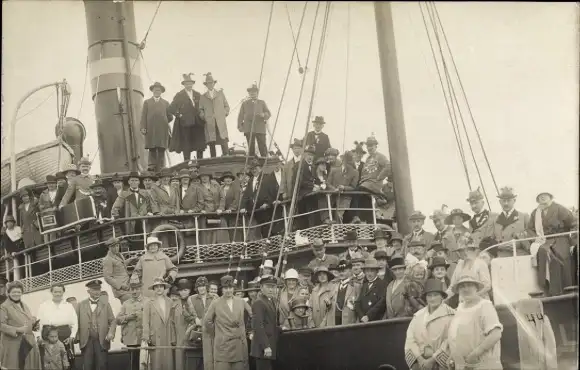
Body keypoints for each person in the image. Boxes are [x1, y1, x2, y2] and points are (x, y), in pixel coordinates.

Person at [447, 273, 503, 369]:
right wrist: (453, 356)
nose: (466, 289)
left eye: (469, 285)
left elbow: (496, 334)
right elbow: (457, 335)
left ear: (476, 288)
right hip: (463, 365)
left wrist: (474, 355)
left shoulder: (484, 306)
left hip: (481, 364)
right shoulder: (460, 307)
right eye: (462, 286)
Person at [527, 191, 576, 296]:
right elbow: (530, 229)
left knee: (558, 257)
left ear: (550, 196)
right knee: (542, 252)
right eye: (540, 195)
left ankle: (566, 290)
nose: (542, 197)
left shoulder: (560, 209)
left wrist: (573, 242)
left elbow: (574, 223)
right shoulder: (535, 213)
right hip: (544, 241)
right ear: (537, 199)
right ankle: (548, 290)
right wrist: (536, 238)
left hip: (561, 238)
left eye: (545, 195)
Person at [404, 279, 454, 370]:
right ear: (425, 298)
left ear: (442, 297)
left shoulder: (451, 315)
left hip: (440, 364)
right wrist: (420, 359)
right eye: (429, 296)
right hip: (420, 363)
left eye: (435, 295)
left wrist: (432, 360)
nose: (432, 298)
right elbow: (410, 340)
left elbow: (449, 341)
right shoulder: (418, 315)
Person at [205, 275, 252, 370]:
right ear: (222, 289)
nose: (228, 290)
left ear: (233, 288)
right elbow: (207, 321)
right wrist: (218, 334)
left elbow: (252, 315)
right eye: (225, 288)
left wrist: (247, 331)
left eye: (230, 287)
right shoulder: (216, 303)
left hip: (238, 345)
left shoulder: (241, 301)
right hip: (223, 346)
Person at [0, 280, 41, 370]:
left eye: (19, 292)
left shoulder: (25, 305)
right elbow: (1, 325)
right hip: (14, 344)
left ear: (22, 293)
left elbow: (26, 321)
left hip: (29, 341)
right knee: (16, 366)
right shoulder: (4, 306)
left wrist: (33, 326)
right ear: (8, 293)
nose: (16, 294)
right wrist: (18, 329)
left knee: (29, 367)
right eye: (14, 292)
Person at [76, 280, 116, 370]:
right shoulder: (81, 305)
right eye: (94, 290)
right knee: (87, 366)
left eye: (99, 289)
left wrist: (111, 333)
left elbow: (113, 321)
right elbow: (76, 322)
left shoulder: (105, 304)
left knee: (102, 365)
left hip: (101, 341)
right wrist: (78, 337)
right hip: (86, 341)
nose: (97, 292)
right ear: (88, 291)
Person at [36, 283, 77, 366]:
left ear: (63, 292)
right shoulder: (44, 305)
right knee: (50, 362)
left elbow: (75, 323)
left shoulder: (68, 306)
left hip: (64, 336)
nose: (58, 294)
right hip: (47, 335)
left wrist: (72, 337)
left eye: (60, 292)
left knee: (66, 361)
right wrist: (38, 336)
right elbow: (38, 323)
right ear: (51, 292)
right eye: (55, 292)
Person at [169, 73, 206, 161]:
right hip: (185, 124)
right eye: (187, 83)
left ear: (192, 84)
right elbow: (171, 108)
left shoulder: (198, 94)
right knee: (186, 145)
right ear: (184, 84)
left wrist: (203, 115)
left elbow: (204, 106)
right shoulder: (179, 95)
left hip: (198, 123)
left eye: (190, 83)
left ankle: (200, 163)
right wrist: (179, 115)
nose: (189, 85)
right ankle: (187, 164)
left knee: (199, 145)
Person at [142, 277, 176, 370]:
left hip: (168, 336)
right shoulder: (148, 302)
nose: (159, 288)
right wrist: (146, 337)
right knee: (156, 363)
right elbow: (145, 321)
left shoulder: (170, 301)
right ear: (153, 289)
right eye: (156, 287)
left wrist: (173, 337)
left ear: (164, 288)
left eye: (161, 286)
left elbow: (172, 320)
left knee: (168, 363)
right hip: (155, 337)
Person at [141, 81, 173, 171]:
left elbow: (170, 116)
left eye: (159, 90)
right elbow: (143, 116)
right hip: (151, 130)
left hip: (162, 130)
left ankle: (162, 167)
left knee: (162, 148)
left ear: (161, 92)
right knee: (152, 148)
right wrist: (143, 127)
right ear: (152, 91)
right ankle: (151, 167)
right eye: (155, 90)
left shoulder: (166, 103)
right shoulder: (147, 102)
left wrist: (164, 121)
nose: (157, 92)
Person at [188, 276, 218, 370]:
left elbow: (218, 313)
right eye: (199, 286)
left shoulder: (215, 297)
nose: (201, 288)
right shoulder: (191, 299)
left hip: (212, 332)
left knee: (212, 356)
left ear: (207, 287)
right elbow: (186, 313)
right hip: (198, 332)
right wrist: (194, 319)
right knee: (198, 357)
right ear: (196, 288)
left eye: (203, 286)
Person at [251, 275, 279, 370]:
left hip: (269, 346)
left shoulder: (270, 301)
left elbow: (270, 323)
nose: (271, 290)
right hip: (262, 348)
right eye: (268, 287)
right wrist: (266, 346)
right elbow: (258, 326)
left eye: (273, 287)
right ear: (261, 288)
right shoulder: (259, 303)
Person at [493, 187, 530, 257]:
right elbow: (490, 239)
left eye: (509, 200)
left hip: (520, 255)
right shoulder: (495, 220)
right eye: (504, 201)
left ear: (514, 200)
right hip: (501, 256)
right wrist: (499, 246)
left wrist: (519, 243)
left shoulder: (524, 217)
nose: (506, 203)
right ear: (500, 202)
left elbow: (531, 236)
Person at [199, 73, 231, 157]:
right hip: (210, 122)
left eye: (211, 83)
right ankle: (213, 159)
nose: (210, 85)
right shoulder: (203, 97)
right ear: (206, 85)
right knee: (211, 141)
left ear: (214, 83)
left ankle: (226, 156)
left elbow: (227, 106)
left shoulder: (220, 94)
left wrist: (224, 113)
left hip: (220, 122)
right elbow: (200, 109)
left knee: (223, 139)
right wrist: (204, 116)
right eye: (208, 83)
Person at [237, 82, 271, 157]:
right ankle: (252, 164)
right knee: (251, 149)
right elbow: (240, 116)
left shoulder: (262, 102)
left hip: (260, 128)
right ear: (249, 93)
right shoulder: (244, 103)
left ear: (257, 93)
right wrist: (240, 126)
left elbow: (268, 113)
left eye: (254, 92)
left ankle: (265, 163)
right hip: (249, 128)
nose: (252, 93)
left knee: (263, 148)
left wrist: (263, 115)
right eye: (250, 92)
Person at [115, 281, 143, 370]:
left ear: (140, 289)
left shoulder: (147, 301)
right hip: (131, 338)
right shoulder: (126, 303)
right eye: (132, 289)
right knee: (133, 363)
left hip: (143, 337)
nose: (134, 291)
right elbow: (118, 320)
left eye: (137, 289)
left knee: (144, 362)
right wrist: (128, 317)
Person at [329, 259, 359, 326]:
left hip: (350, 321)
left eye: (344, 271)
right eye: (340, 271)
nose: (341, 273)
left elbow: (359, 307)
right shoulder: (333, 285)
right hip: (334, 320)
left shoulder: (356, 286)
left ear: (350, 271)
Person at [357, 258, 388, 322]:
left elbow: (381, 303)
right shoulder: (364, 285)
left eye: (372, 271)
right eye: (367, 271)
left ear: (377, 271)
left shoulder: (382, 284)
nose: (369, 274)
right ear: (364, 272)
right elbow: (358, 302)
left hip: (376, 320)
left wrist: (368, 316)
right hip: (363, 320)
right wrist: (361, 316)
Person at [102, 237, 132, 303]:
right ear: (109, 247)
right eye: (113, 247)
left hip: (127, 285)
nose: (116, 248)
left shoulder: (119, 255)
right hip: (121, 290)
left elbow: (120, 265)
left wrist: (131, 259)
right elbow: (107, 277)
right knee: (129, 307)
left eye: (117, 246)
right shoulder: (107, 259)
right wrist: (120, 286)